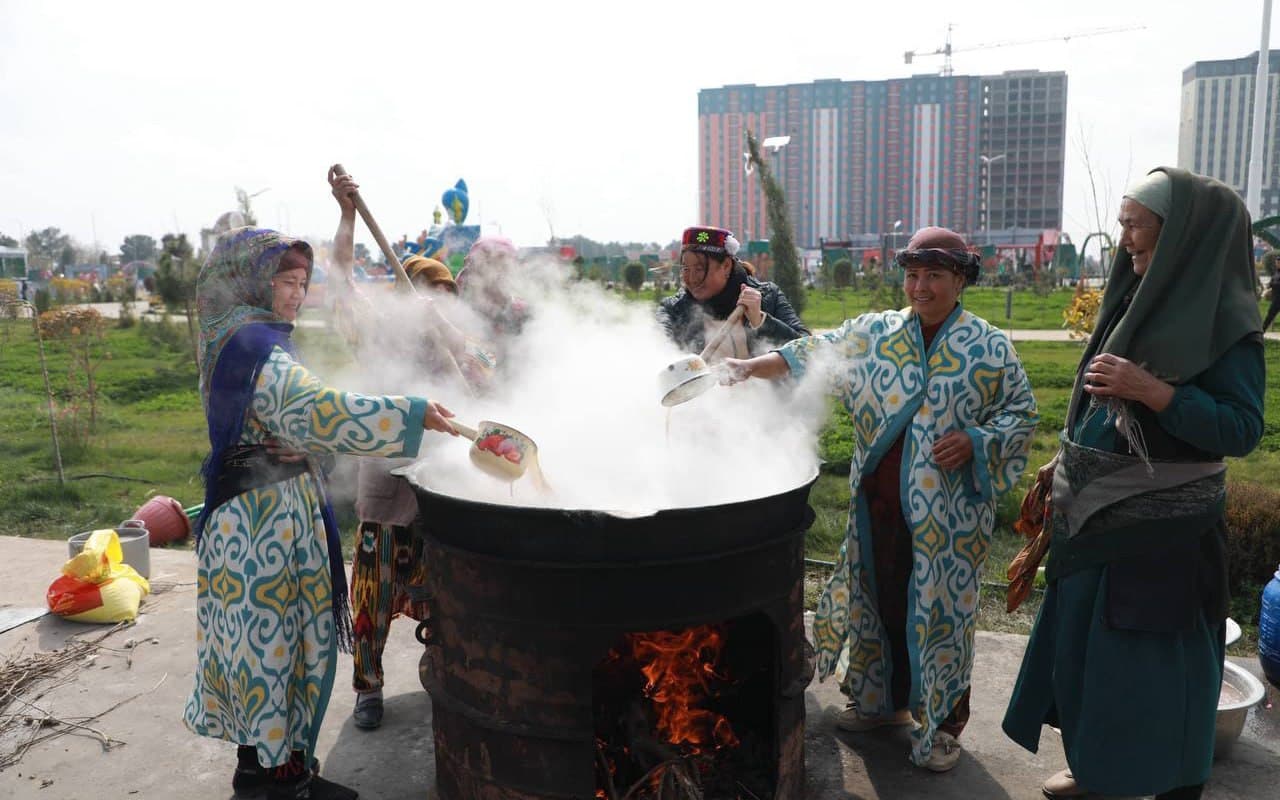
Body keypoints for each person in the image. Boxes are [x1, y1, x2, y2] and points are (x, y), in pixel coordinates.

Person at [724, 226, 1038, 772]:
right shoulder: (877, 334)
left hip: (949, 521)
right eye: (913, 275)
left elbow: (1022, 414)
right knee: (879, 603)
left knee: (939, 614)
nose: (920, 287)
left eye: (934, 276)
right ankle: (880, 704)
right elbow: (812, 352)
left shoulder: (990, 348)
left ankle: (941, 725)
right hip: (879, 512)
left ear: (960, 279)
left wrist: (976, 440)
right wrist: (752, 367)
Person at [1002, 168, 1265, 800]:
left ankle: (1153, 781)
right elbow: (1098, 402)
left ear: (1183, 236)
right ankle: (1097, 768)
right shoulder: (1133, 298)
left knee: (1148, 669)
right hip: (1094, 523)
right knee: (1087, 654)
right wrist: (1066, 461)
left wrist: (1155, 392)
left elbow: (1240, 428)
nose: (1124, 240)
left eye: (1134, 224)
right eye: (1121, 224)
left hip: (1162, 539)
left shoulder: (1225, 326)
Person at [183, 226, 457, 800]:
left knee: (279, 648)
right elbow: (313, 409)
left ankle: (280, 774)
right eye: (285, 280)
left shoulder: (249, 338)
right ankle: (275, 785)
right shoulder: (251, 345)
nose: (295, 293)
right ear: (252, 281)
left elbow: (297, 426)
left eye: (302, 282)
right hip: (258, 527)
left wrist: (313, 446)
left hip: (274, 514)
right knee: (270, 651)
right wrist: (409, 414)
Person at [657, 226, 808, 358]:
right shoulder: (674, 309)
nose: (691, 278)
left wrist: (761, 321)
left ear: (726, 266)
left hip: (761, 391)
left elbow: (807, 351)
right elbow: (656, 348)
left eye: (699, 269)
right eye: (685, 269)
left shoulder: (768, 296)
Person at [1262, 249, 1280, 331]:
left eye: (1278, 262)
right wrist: (1267, 288)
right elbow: (1272, 282)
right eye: (1277, 262)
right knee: (1269, 316)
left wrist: (1272, 286)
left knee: (1269, 316)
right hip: (1276, 300)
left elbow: (1276, 284)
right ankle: (1261, 332)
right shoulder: (1276, 273)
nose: (1277, 264)